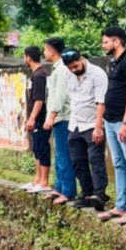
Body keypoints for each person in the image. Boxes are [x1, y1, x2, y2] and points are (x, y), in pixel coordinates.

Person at [96, 27, 126, 224]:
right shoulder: (114, 62)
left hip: (123, 121)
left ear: (117, 42)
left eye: (106, 42)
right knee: (119, 163)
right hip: (110, 119)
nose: (103, 45)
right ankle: (121, 205)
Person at [63, 49, 110, 210]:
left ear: (81, 58)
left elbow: (101, 102)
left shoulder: (97, 74)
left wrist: (98, 127)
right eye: (71, 68)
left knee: (95, 159)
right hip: (75, 123)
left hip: (92, 124)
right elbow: (72, 98)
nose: (74, 70)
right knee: (77, 160)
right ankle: (87, 193)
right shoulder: (68, 75)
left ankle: (100, 194)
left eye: (76, 66)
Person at [42, 38, 75, 205]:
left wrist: (51, 116)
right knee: (59, 155)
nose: (44, 53)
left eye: (45, 50)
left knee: (64, 155)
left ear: (52, 51)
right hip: (58, 118)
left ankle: (68, 191)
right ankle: (59, 187)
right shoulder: (56, 69)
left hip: (63, 118)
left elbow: (60, 96)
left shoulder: (62, 70)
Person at [20, 46, 51, 193]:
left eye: (24, 57)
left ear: (28, 58)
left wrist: (32, 118)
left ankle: (44, 181)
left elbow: (39, 99)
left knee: (42, 148)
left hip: (40, 118)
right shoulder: (39, 74)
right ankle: (37, 179)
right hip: (37, 119)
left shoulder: (39, 75)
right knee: (37, 148)